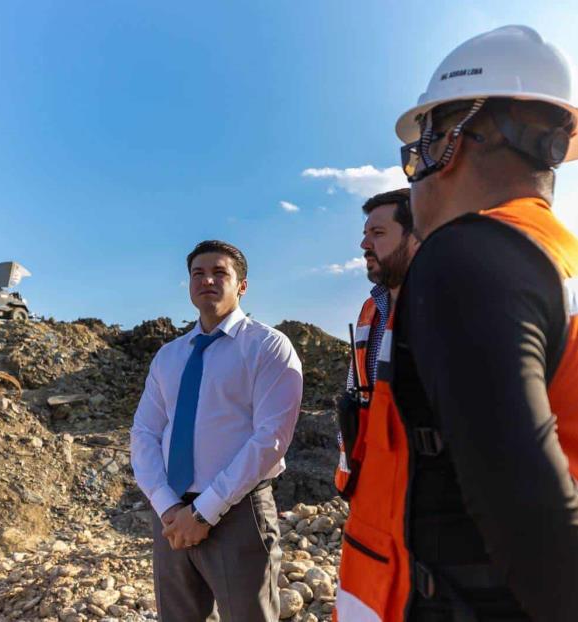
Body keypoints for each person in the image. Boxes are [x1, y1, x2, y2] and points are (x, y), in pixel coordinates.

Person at [334, 25, 578, 622]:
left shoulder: (465, 257)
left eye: (422, 145)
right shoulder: (553, 255)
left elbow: (527, 506)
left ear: (455, 142)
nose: (415, 171)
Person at [130, 240, 303, 621]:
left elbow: (270, 439)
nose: (207, 279)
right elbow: (144, 431)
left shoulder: (268, 347)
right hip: (171, 517)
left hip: (238, 514)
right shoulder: (169, 356)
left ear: (242, 285)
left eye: (219, 272)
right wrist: (168, 506)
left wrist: (205, 512)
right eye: (198, 273)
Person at [334, 188, 417, 498]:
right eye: (365, 234)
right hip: (371, 487)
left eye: (377, 233)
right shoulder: (371, 311)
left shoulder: (449, 307)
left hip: (427, 498)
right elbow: (357, 395)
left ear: (416, 235)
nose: (364, 245)